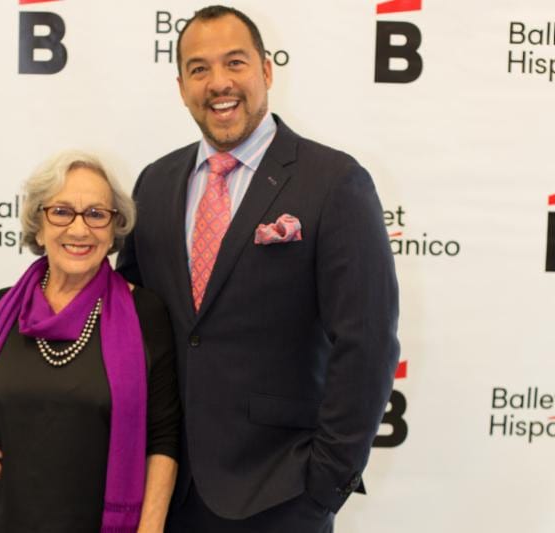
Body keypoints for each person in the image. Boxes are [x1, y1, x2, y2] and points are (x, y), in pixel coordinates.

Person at [116, 6, 400, 533]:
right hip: (166, 495)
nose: (218, 83)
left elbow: (368, 342)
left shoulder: (333, 182)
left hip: (282, 495)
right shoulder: (154, 184)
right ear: (181, 87)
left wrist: (325, 484)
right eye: (199, 69)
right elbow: (124, 326)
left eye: (235, 62)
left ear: (266, 70)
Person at [0, 151, 180, 533]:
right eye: (61, 212)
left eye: (96, 214)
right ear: (38, 226)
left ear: (114, 229)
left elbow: (163, 438)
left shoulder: (145, 313)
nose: (79, 230)